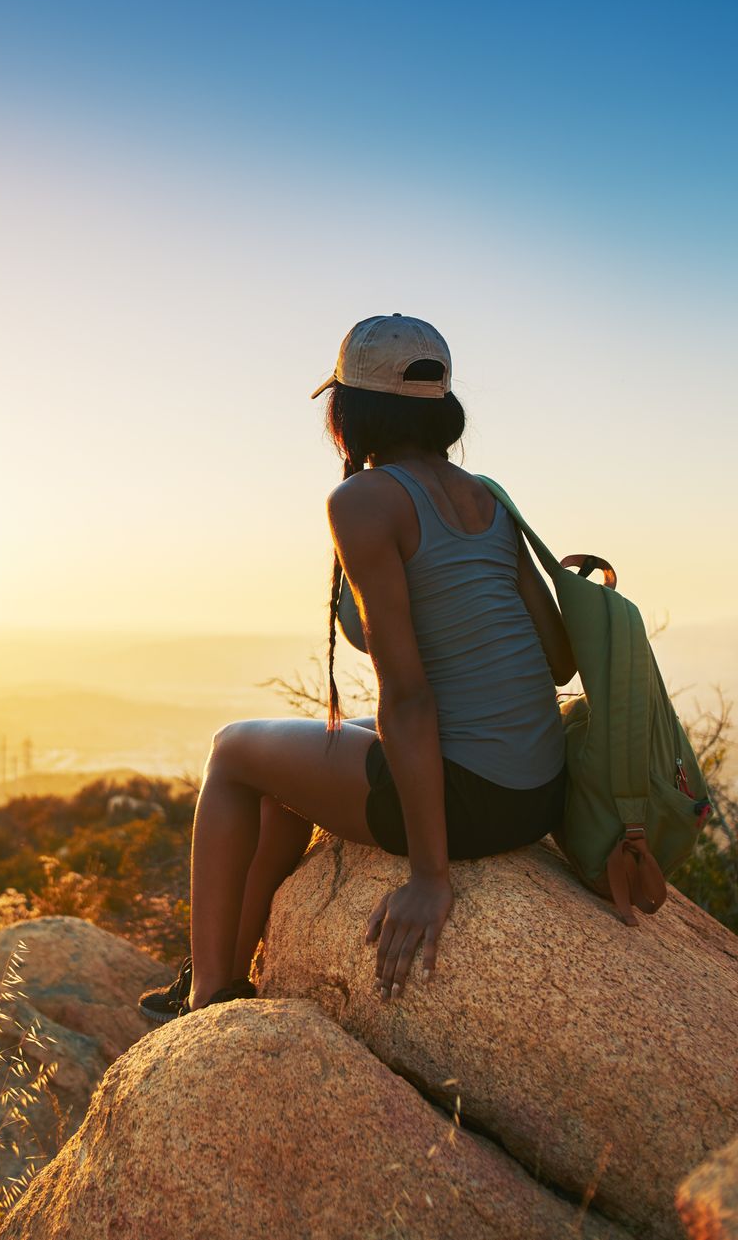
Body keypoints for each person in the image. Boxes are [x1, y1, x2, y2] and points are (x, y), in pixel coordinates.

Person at [138, 313, 577, 1022]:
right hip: (538, 790)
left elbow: (407, 699)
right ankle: (224, 965)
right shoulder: (489, 497)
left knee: (231, 751)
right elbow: (559, 661)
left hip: (473, 798)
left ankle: (207, 997)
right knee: (282, 780)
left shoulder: (365, 500)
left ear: (350, 410)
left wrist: (430, 877)